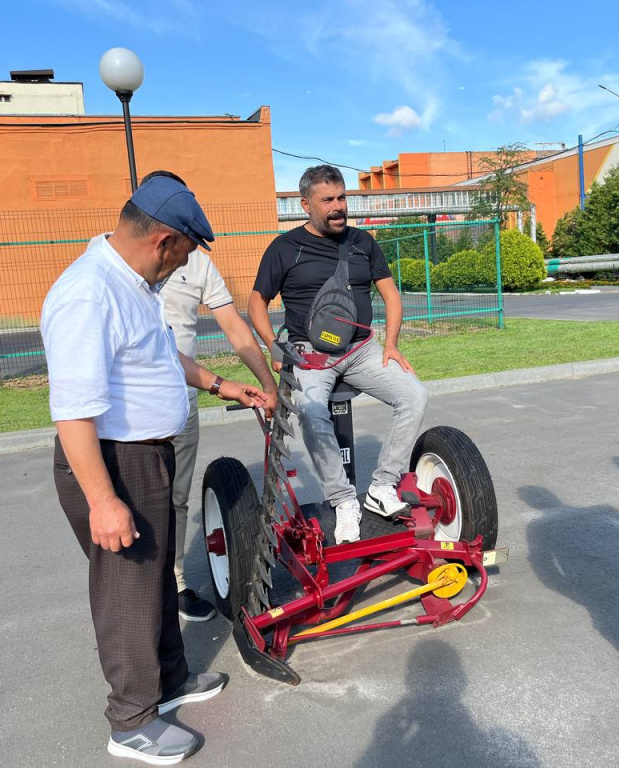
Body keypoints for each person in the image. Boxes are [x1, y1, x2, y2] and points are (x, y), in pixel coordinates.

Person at [41, 175, 268, 765]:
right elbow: (73, 413)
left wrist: (224, 384)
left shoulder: (131, 284)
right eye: (183, 255)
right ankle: (132, 722)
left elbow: (164, 360)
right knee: (126, 592)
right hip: (114, 464)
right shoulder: (89, 293)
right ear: (165, 240)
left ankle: (168, 684)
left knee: (156, 580)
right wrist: (103, 501)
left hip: (147, 455)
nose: (180, 268)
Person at [248, 164, 429, 544]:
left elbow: (391, 296)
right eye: (327, 199)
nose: (337, 206)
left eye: (342, 197)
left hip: (361, 349)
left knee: (414, 394)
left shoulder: (363, 243)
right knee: (313, 412)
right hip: (310, 352)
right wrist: (274, 348)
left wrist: (391, 343)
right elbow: (256, 303)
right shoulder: (285, 248)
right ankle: (343, 500)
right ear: (305, 205)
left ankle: (383, 487)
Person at [141, 171, 278, 623]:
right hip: (131, 408)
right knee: (134, 501)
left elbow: (234, 326)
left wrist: (268, 382)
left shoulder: (195, 260)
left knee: (176, 497)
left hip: (182, 399)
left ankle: (174, 581)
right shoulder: (116, 258)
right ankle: (138, 592)